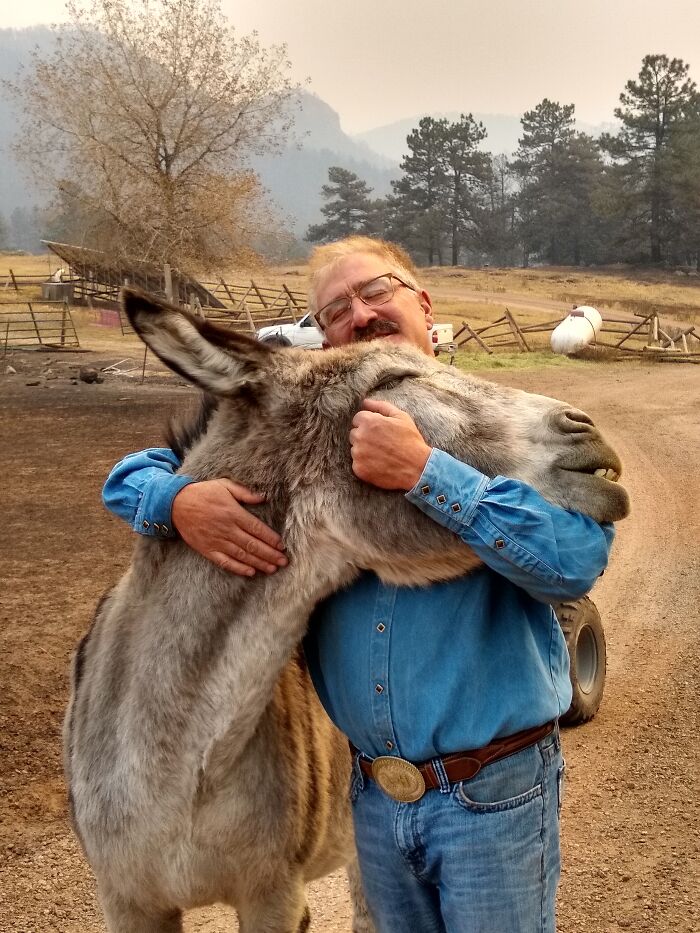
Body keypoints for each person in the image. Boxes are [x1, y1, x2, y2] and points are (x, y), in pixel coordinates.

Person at [103, 236, 614, 933]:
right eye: (336, 307)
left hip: (493, 794)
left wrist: (425, 473)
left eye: (378, 290)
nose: (362, 312)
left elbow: (576, 557)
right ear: (323, 334)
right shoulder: (318, 418)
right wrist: (175, 502)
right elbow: (137, 470)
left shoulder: (480, 425)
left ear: (421, 301)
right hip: (374, 798)